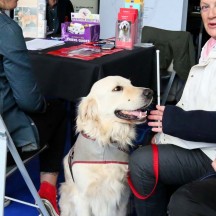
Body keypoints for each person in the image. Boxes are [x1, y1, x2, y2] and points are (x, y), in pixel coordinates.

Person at [129, 0, 216, 215]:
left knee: (141, 163)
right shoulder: (208, 48)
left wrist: (173, 122)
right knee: (141, 145)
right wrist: (161, 128)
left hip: (209, 152)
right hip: (197, 143)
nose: (211, 14)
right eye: (205, 7)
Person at [0, 1, 68, 215]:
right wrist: (42, 105)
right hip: (5, 138)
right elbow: (29, 101)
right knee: (58, 110)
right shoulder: (7, 30)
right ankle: (47, 195)